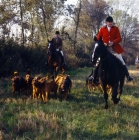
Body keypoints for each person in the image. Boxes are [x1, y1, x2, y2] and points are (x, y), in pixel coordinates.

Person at [89, 16, 133, 84]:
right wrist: (103, 43)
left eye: (111, 22)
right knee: (98, 62)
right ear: (106, 23)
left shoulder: (116, 28)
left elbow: (119, 38)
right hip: (105, 49)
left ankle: (128, 75)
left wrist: (113, 42)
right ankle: (94, 76)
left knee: (121, 61)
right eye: (109, 22)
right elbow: (98, 39)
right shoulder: (102, 29)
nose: (110, 24)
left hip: (114, 49)